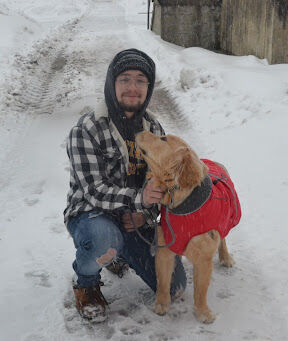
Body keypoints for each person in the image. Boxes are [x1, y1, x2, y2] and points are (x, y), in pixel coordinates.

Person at [64, 48, 186, 321]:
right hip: (91, 214)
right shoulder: (87, 128)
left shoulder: (153, 129)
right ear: (112, 83)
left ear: (149, 87)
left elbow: (162, 184)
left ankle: (119, 254)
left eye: (141, 80)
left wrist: (144, 214)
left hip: (135, 218)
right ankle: (86, 283)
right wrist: (139, 200)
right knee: (103, 238)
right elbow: (94, 191)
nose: (133, 87)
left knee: (175, 287)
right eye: (125, 79)